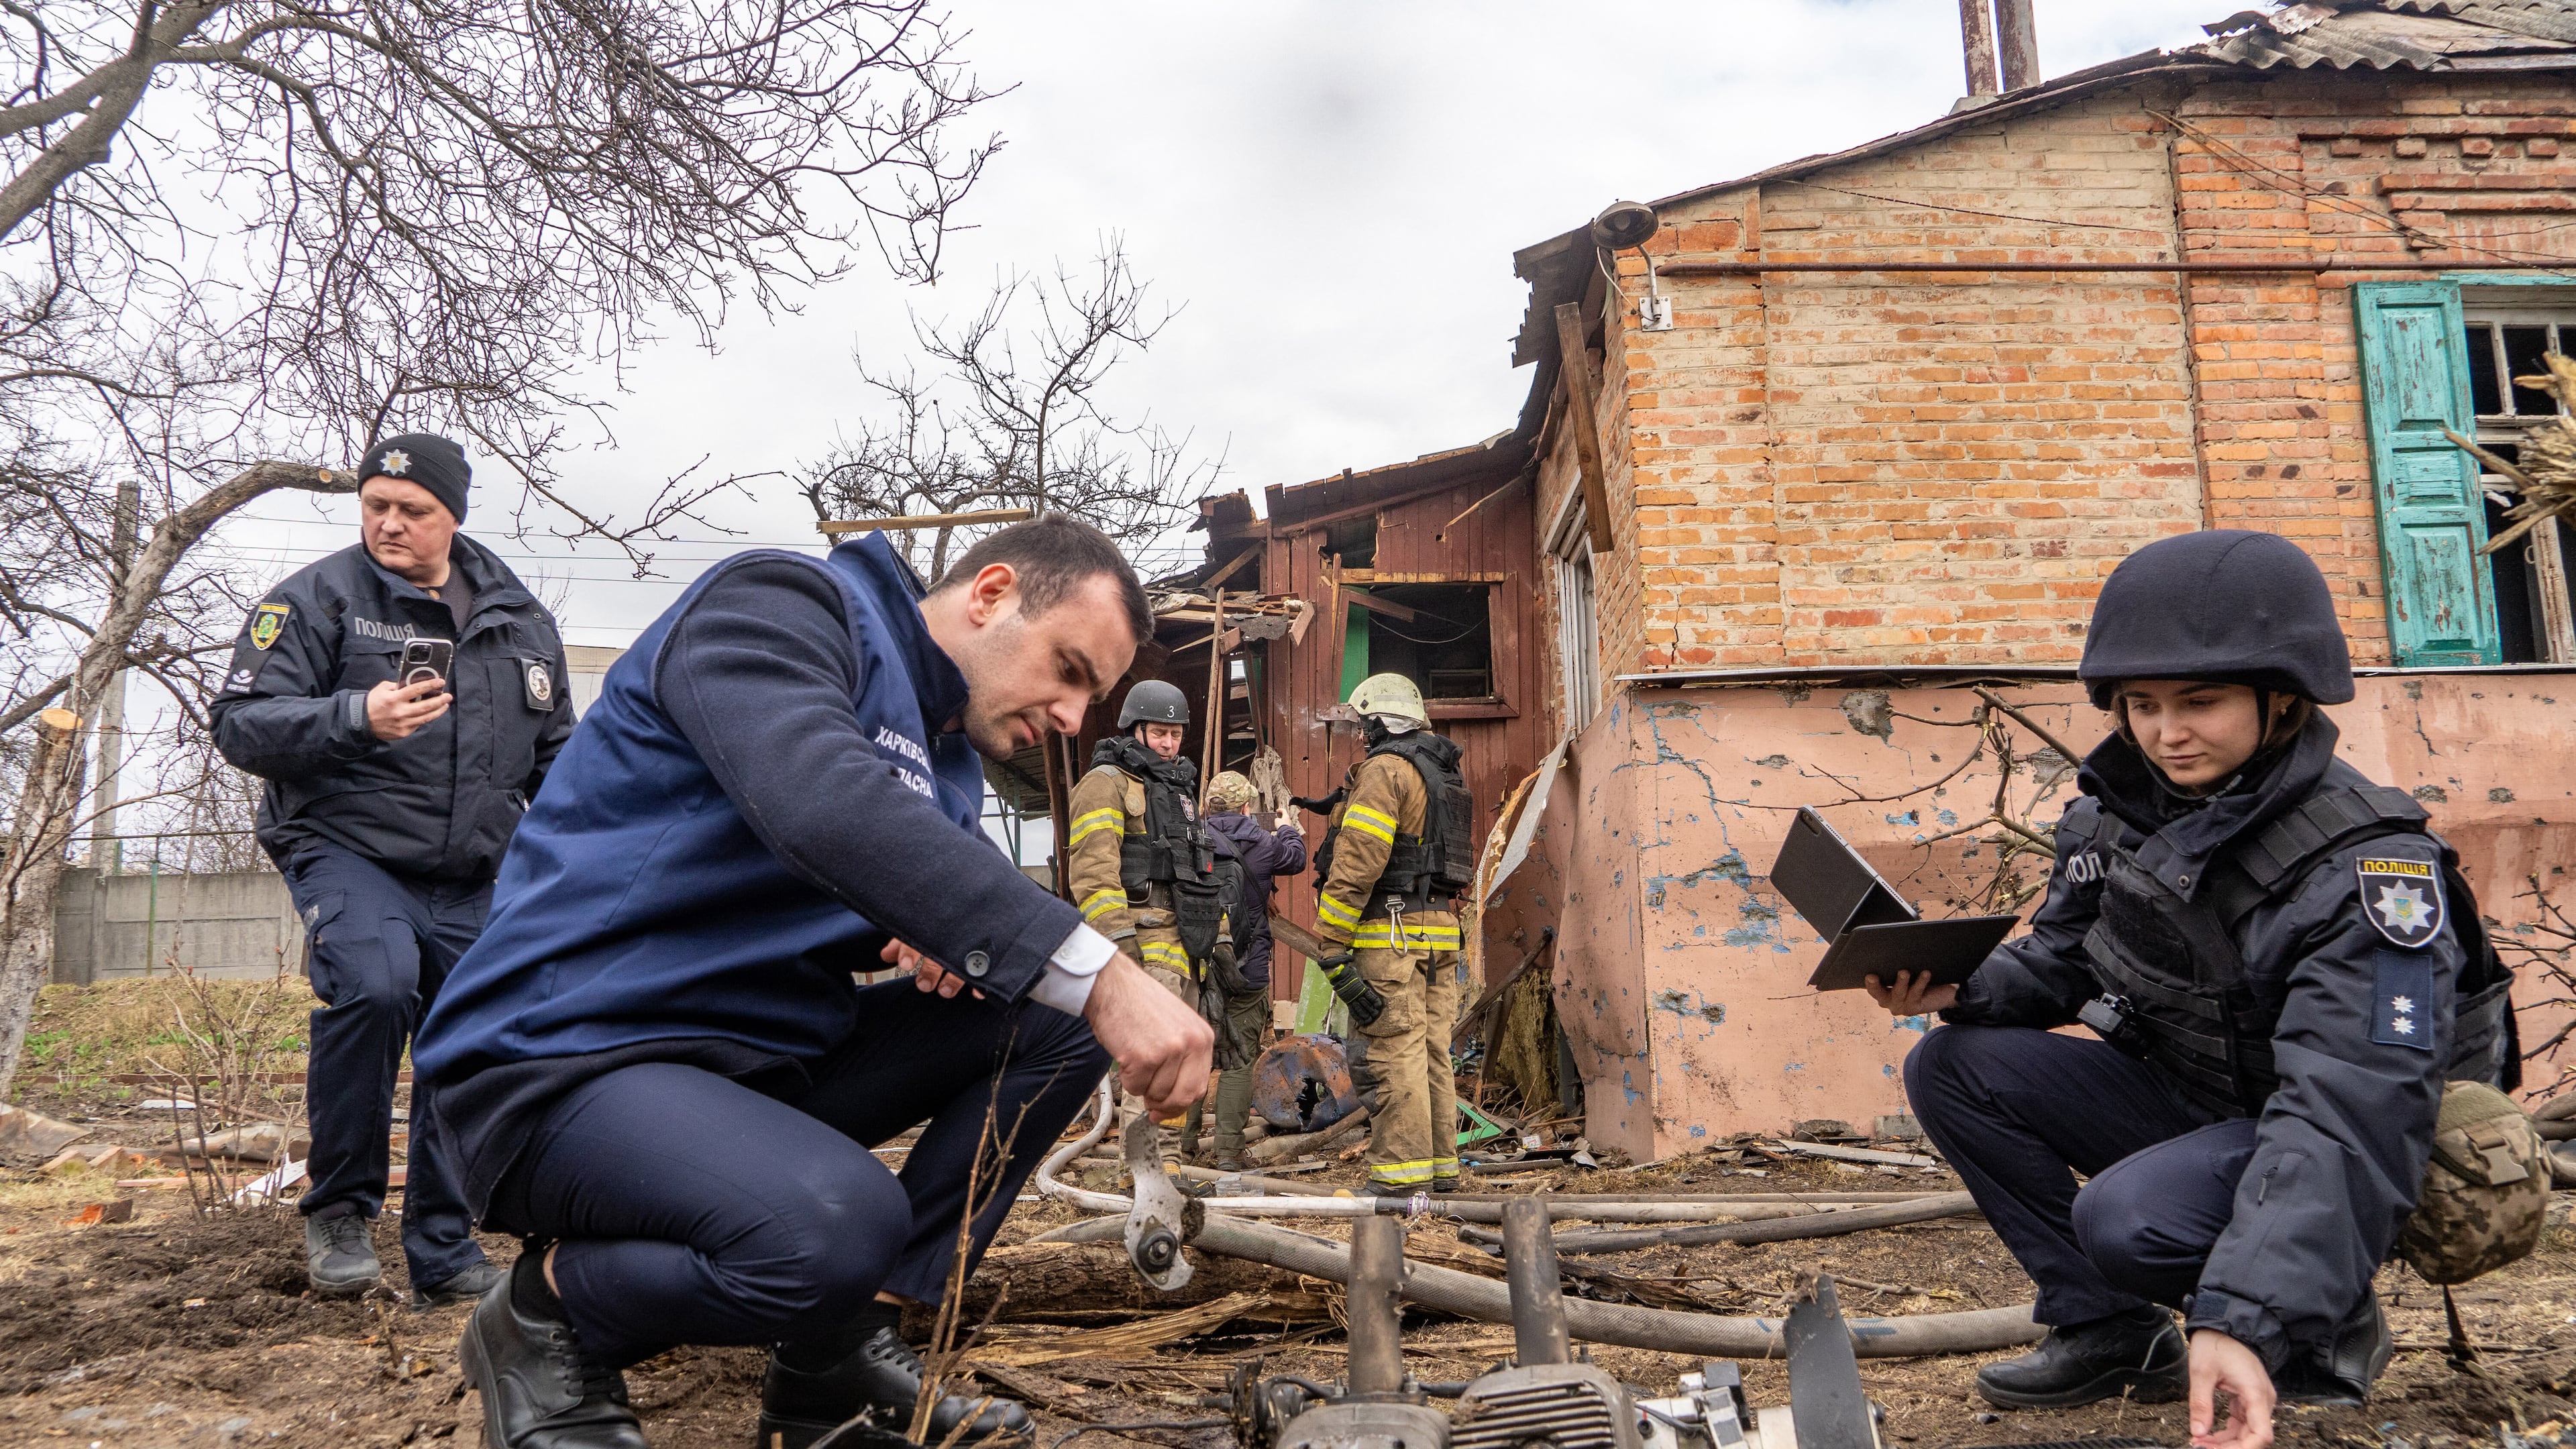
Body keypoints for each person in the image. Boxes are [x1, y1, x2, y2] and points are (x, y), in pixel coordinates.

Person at [410, 518, 1214, 1449]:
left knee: (1057, 1019)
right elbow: (821, 798)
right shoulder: (782, 608)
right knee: (838, 1221)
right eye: (1070, 670)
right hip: (561, 1058)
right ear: (991, 594)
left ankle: (841, 1349)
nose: (1075, 718)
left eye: (1095, 697)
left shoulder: (947, 764)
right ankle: (546, 1318)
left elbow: (933, 892)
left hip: (746, 1068)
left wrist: (941, 940)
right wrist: (1105, 971)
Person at [1866, 531, 2518, 1449]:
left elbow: (2351, 1108)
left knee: (2125, 1218)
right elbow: (2062, 960)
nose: (2166, 733)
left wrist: (2244, 1314)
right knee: (1955, 1064)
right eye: (2141, 705)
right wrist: (1953, 987)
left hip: (2343, 1146)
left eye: (2200, 702)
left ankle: (2312, 1320)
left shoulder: (2368, 869)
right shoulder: (2119, 816)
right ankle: (2112, 1332)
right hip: (2202, 1107)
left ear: (2281, 697)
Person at [211, 433, 573, 1308]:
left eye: (414, 511)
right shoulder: (315, 601)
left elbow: (559, 760)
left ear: (454, 517)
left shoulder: (519, 620)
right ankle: (339, 1211)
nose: (390, 524)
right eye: (376, 506)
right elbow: (240, 726)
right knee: (376, 986)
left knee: (472, 1026)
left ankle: (444, 1247)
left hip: (473, 868)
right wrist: (355, 715)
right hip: (347, 846)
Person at [1308, 673, 1476, 1197]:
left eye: (1364, 725)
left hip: (1391, 934)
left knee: (1392, 1052)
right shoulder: (1443, 775)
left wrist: (1331, 938)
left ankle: (1400, 1180)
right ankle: (1439, 1169)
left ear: (1379, 723)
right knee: (1431, 1052)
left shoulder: (1386, 770)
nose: (1361, 735)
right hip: (1440, 932)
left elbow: (1360, 857)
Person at [1192, 771, 1308, 1169]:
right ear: (1246, 808)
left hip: (1200, 967)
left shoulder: (1191, 840)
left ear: (1207, 807)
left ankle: (1183, 1148)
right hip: (1248, 968)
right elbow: (1297, 858)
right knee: (1239, 1059)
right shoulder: (1264, 843)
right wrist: (1286, 827)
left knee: (1193, 1055)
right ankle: (1227, 1152)